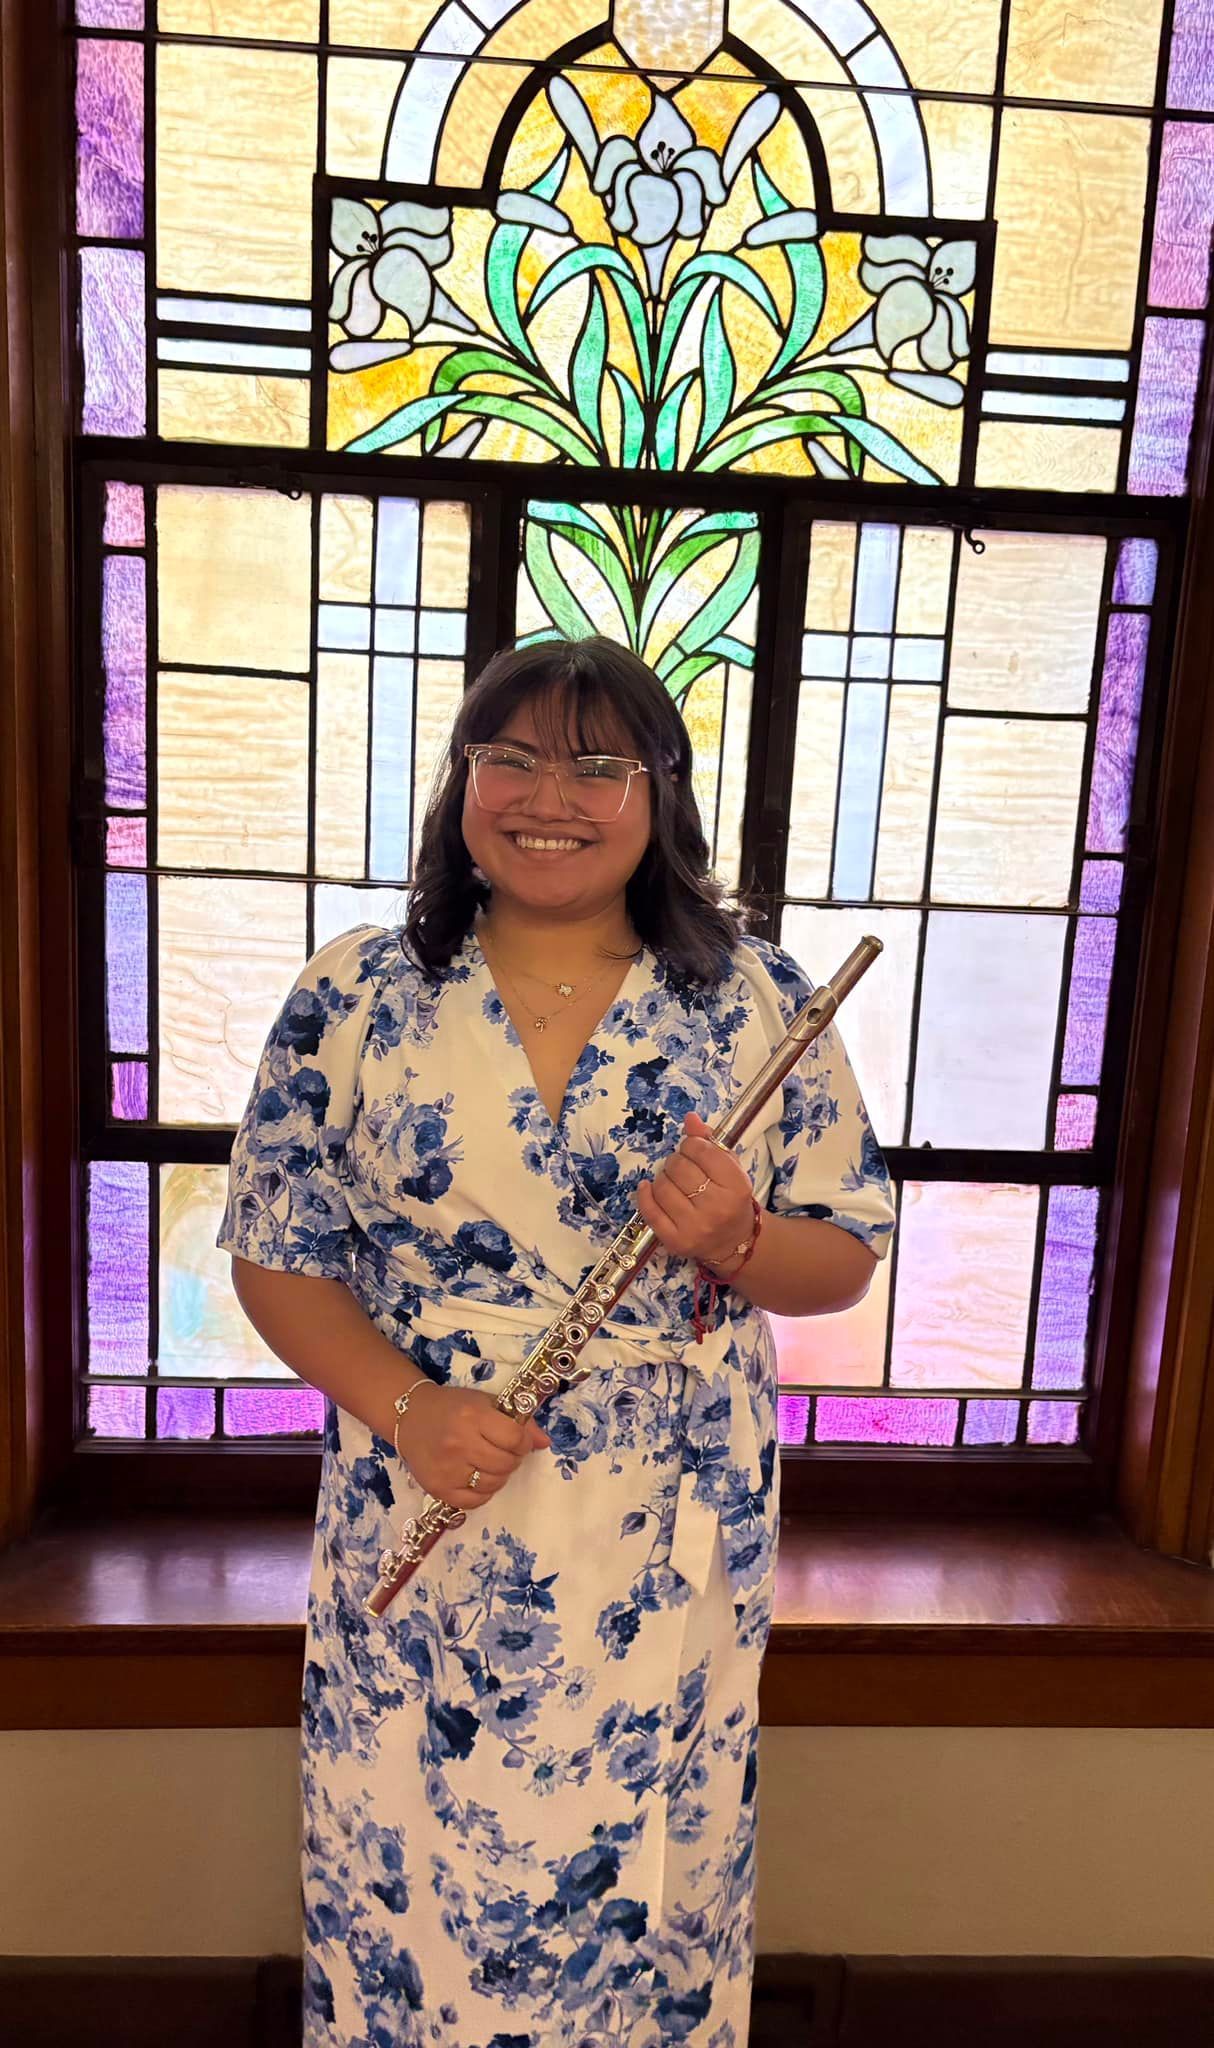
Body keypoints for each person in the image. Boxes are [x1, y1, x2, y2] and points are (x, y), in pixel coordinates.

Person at [218, 634, 895, 2048]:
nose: (550, 795)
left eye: (600, 764)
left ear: (661, 793)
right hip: (429, 1476)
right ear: (461, 780)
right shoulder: (352, 994)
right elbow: (279, 1255)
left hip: (671, 1516)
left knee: (647, 1882)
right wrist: (408, 1410)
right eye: (510, 756)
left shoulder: (753, 998)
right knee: (407, 1852)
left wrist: (738, 1245)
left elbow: (842, 1251)